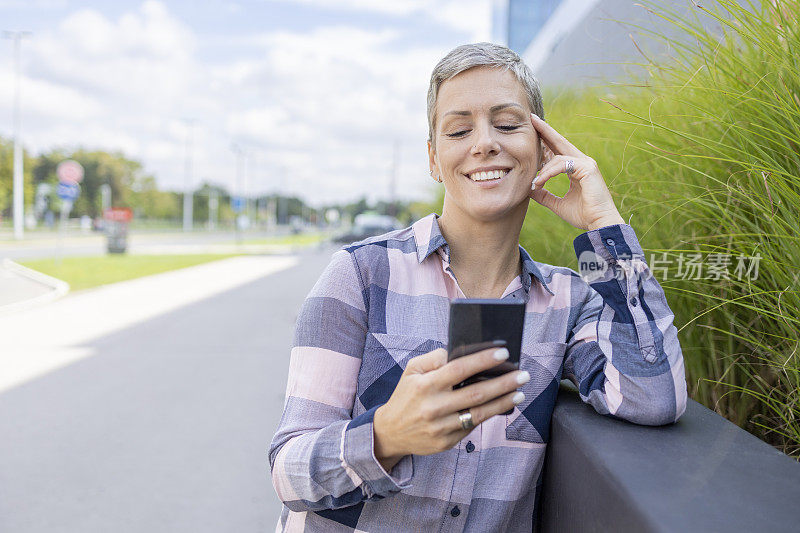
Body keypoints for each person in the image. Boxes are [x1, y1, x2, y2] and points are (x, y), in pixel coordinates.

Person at [269, 42, 687, 532]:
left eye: (508, 124)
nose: (483, 143)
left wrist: (603, 225)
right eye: (459, 129)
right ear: (433, 158)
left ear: (543, 149)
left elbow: (653, 396)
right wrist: (386, 434)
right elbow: (288, 472)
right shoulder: (361, 273)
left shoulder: (569, 301)